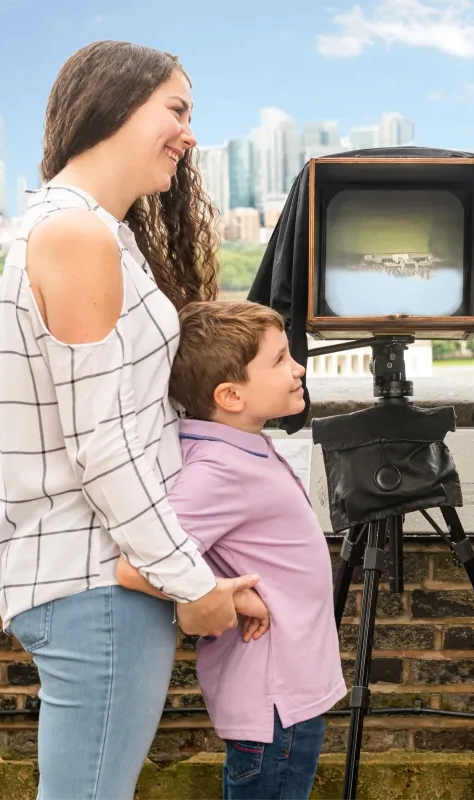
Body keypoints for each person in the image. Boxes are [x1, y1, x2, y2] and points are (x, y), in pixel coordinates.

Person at [0, 40, 255, 799]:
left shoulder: (97, 232)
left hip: (99, 581)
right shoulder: (78, 236)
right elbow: (103, 444)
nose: (190, 134)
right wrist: (191, 583)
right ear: (113, 105)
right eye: (176, 109)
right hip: (96, 586)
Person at [116, 300, 347, 800]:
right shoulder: (217, 469)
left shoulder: (238, 444)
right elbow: (138, 564)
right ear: (230, 395)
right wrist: (227, 595)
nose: (298, 368)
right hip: (274, 707)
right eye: (281, 360)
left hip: (285, 698)